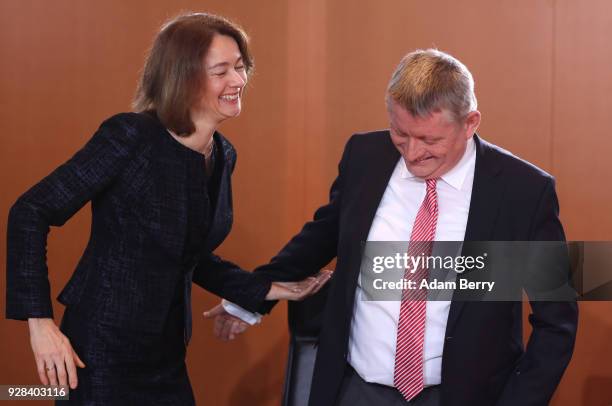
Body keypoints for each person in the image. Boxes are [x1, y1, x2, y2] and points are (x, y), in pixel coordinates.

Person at [209, 49, 578, 405]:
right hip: (357, 389)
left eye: (430, 140)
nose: (413, 153)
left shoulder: (524, 191)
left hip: (465, 394)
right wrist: (250, 297)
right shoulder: (365, 156)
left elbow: (556, 322)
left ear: (470, 123)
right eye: (401, 134)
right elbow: (321, 237)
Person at [5, 12, 330, 405]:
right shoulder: (131, 137)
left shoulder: (223, 155)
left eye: (241, 68)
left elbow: (185, 252)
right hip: (99, 352)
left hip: (166, 355)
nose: (238, 81)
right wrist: (40, 326)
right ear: (184, 76)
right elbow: (30, 211)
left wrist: (266, 289)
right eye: (221, 71)